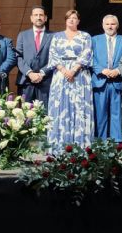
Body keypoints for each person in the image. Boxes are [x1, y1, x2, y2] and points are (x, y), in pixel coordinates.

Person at [45, 10, 94, 154]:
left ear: (78, 21)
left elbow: (87, 53)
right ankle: (58, 146)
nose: (72, 20)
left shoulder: (85, 36)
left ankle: (81, 145)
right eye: (69, 18)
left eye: (75, 18)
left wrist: (73, 70)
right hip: (61, 75)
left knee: (79, 108)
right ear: (65, 20)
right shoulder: (56, 36)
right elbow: (53, 55)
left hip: (80, 76)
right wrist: (64, 70)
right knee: (60, 107)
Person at [91, 15, 122, 142]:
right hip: (99, 81)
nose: (110, 26)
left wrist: (118, 70)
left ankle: (117, 143)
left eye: (113, 24)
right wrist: (102, 70)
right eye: (107, 24)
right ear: (103, 25)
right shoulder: (94, 40)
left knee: (116, 114)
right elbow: (89, 58)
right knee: (100, 114)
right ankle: (100, 143)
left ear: (117, 25)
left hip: (117, 82)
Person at [15, 6, 53, 107]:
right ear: (31, 18)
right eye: (36, 15)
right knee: (24, 116)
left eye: (41, 15)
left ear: (45, 18)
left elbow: (55, 58)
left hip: (46, 81)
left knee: (45, 116)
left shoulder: (54, 36)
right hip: (26, 81)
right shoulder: (22, 35)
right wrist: (30, 73)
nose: (38, 17)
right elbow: (18, 57)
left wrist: (42, 73)